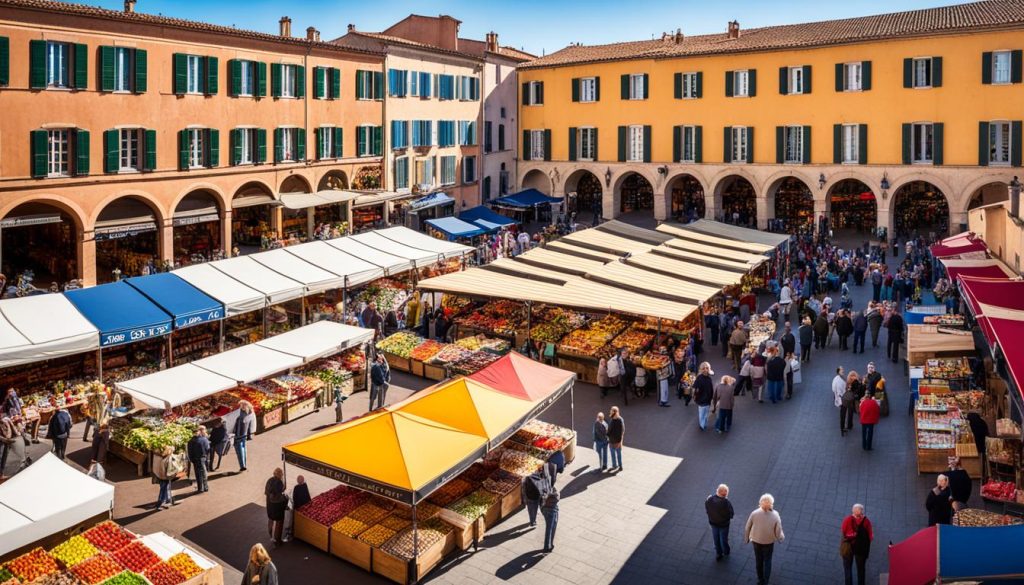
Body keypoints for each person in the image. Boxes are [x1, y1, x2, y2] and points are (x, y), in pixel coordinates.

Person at [745, 493, 785, 585]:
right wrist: (781, 538)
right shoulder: (775, 515)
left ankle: (760, 578)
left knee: (758, 560)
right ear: (771, 503)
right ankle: (766, 580)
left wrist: (746, 538)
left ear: (760, 502)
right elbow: (778, 530)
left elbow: (747, 527)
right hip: (769, 542)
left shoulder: (754, 513)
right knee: (767, 560)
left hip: (756, 540)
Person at [841, 504, 874, 585]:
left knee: (848, 568)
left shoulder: (847, 519)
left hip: (848, 547)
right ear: (862, 512)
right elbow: (871, 536)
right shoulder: (866, 521)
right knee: (861, 569)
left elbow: (843, 531)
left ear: (853, 511)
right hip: (860, 549)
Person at [705, 484, 735, 560]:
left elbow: (707, 510)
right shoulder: (726, 502)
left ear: (717, 491)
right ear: (726, 494)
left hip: (713, 523)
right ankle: (726, 551)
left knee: (716, 538)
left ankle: (719, 553)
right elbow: (731, 514)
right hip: (724, 525)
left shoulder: (710, 499)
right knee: (723, 539)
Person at [539, 462, 559, 552]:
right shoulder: (549, 487)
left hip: (544, 507)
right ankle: (547, 546)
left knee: (550, 527)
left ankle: (549, 544)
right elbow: (556, 497)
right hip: (551, 508)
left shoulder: (540, 482)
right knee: (550, 527)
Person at [265, 468, 288, 546]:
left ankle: (270, 535)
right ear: (280, 474)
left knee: (270, 519)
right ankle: (277, 540)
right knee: (279, 522)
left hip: (269, 505)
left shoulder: (269, 480)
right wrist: (285, 498)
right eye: (281, 474)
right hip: (277, 507)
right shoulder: (279, 482)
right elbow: (278, 496)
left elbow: (267, 492)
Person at [152, 445, 178, 510]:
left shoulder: (156, 455)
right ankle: (160, 504)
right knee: (163, 488)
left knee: (165, 487)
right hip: (163, 475)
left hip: (158, 474)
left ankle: (167, 500)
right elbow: (168, 467)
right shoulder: (165, 457)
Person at [233, 401, 256, 472]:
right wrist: (249, 435)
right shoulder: (250, 413)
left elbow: (235, 425)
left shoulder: (240, 414)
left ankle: (242, 466)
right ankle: (244, 464)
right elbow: (250, 425)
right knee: (243, 449)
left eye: (241, 405)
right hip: (244, 435)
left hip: (238, 435)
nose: (240, 406)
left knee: (239, 451)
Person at [187, 426, 211, 493]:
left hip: (195, 459)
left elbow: (190, 452)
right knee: (204, 472)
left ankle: (200, 488)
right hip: (203, 458)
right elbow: (208, 449)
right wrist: (206, 456)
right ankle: (205, 487)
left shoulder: (190, 441)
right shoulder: (204, 439)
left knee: (198, 474)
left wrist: (192, 459)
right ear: (199, 432)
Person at [693, 363, 715, 431]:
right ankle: (702, 425)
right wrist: (695, 396)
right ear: (701, 370)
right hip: (701, 399)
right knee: (702, 413)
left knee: (705, 413)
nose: (705, 370)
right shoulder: (699, 378)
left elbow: (711, 389)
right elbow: (695, 388)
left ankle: (703, 424)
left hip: (707, 399)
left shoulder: (708, 378)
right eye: (703, 368)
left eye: (707, 368)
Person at [607, 406, 624, 471]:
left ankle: (615, 466)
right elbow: (623, 431)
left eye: (611, 411)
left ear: (615, 412)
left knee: (614, 454)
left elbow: (609, 431)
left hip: (614, 441)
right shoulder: (620, 419)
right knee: (617, 454)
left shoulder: (615, 420)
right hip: (616, 441)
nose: (610, 412)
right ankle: (619, 466)